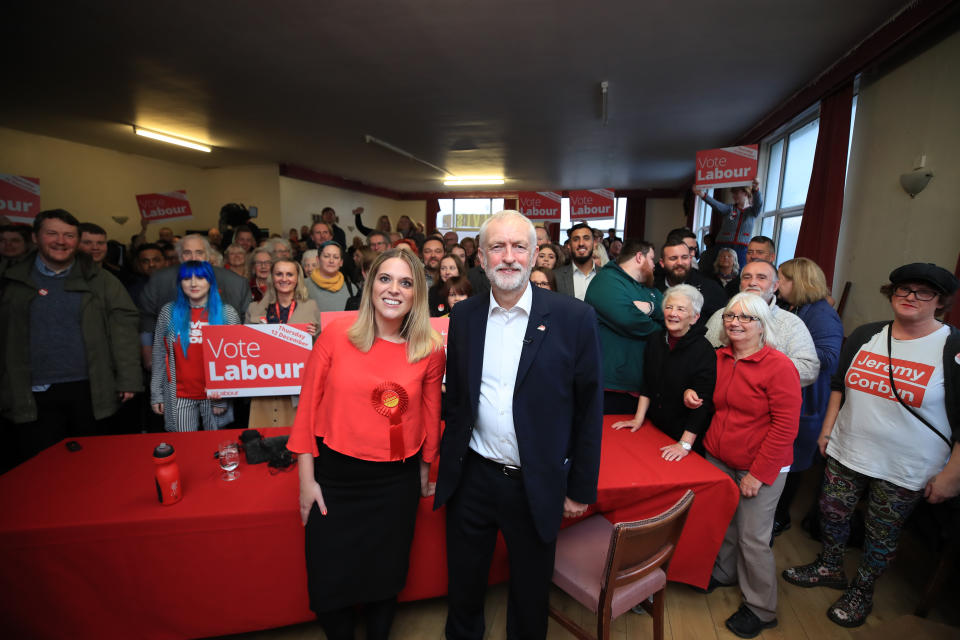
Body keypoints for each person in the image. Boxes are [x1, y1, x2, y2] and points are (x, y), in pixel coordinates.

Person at [435, 210, 603, 640]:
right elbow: (457, 401)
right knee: (465, 586)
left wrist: (580, 487)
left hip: (535, 482)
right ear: (482, 256)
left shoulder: (574, 318)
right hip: (472, 477)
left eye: (519, 247)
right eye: (497, 246)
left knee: (530, 595)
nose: (508, 257)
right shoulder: (465, 316)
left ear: (534, 256)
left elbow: (589, 411)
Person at [782, 263, 960, 629]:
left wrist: (952, 475)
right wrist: (827, 430)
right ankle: (830, 566)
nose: (910, 297)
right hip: (848, 449)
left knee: (882, 533)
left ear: (941, 301)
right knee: (831, 513)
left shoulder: (952, 347)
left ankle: (863, 590)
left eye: (922, 292)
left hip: (905, 465)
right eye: (902, 290)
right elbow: (838, 385)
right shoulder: (867, 334)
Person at [288, 247, 445, 640]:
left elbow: (430, 416)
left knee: (384, 579)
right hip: (335, 477)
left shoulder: (428, 349)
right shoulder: (337, 334)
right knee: (328, 583)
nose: (394, 289)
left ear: (417, 294)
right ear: (371, 284)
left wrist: (425, 474)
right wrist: (306, 481)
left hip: (394, 483)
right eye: (385, 279)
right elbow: (307, 408)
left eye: (406, 283)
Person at [0, 209, 141, 470]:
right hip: (31, 393)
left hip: (91, 388)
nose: (60, 241)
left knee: (94, 465)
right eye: (52, 233)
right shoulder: (10, 280)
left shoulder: (103, 281)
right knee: (40, 468)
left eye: (68, 235)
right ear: (35, 237)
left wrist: (129, 379)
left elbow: (124, 330)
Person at [703, 292, 801, 638]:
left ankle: (762, 608)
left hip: (761, 464)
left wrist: (758, 474)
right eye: (731, 315)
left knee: (752, 537)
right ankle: (725, 572)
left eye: (747, 318)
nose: (736, 323)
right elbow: (709, 401)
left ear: (762, 326)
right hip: (719, 456)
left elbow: (786, 427)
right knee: (726, 524)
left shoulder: (779, 366)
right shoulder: (718, 357)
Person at [771, 258, 843, 539]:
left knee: (793, 461)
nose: (778, 285)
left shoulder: (822, 315)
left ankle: (781, 516)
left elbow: (828, 358)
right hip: (796, 395)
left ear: (798, 283)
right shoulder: (798, 308)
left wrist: (776, 356)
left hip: (809, 400)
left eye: (783, 279)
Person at [611, 284, 716, 459]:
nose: (673, 313)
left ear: (694, 317)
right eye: (669, 307)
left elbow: (702, 404)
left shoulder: (704, 351)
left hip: (683, 436)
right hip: (654, 428)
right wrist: (638, 418)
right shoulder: (655, 339)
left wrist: (684, 444)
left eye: (681, 309)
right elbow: (647, 383)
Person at [150, 261, 240, 432]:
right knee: (184, 446)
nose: (193, 283)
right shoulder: (168, 312)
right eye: (186, 279)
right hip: (179, 395)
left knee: (217, 448)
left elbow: (235, 360)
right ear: (179, 283)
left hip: (214, 395)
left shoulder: (227, 314)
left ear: (210, 281)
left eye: (200, 278)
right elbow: (159, 354)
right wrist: (156, 394)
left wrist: (223, 398)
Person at [705, 260, 819, 386]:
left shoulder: (791, 323)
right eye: (747, 277)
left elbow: (809, 369)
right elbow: (702, 357)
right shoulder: (719, 316)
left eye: (761, 278)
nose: (752, 283)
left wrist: (758, 369)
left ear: (775, 286)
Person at [583, 239, 663, 414]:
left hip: (640, 387)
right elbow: (631, 321)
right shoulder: (606, 281)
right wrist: (661, 327)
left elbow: (667, 310)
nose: (654, 265)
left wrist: (650, 308)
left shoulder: (646, 288)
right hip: (612, 387)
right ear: (639, 257)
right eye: (651, 259)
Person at [246, 259, 321, 428]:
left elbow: (321, 347)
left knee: (297, 438)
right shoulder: (254, 309)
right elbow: (245, 348)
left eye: (289, 274)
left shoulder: (311, 307)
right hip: (263, 388)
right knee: (262, 440)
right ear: (272, 278)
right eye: (279, 274)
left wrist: (313, 337)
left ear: (297, 278)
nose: (284, 279)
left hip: (298, 388)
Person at [654, 236, 726, 327]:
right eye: (673, 258)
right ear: (662, 263)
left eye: (684, 257)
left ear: (690, 259)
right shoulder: (651, 288)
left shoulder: (711, 288)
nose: (680, 263)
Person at [694, 179, 762, 266]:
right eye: (733, 193)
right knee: (717, 269)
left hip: (742, 248)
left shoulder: (752, 211)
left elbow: (759, 204)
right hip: (722, 246)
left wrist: (756, 189)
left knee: (740, 271)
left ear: (745, 193)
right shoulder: (729, 209)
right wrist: (702, 195)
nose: (733, 196)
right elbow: (716, 205)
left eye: (736, 193)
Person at [305, 241, 357, 311]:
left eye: (336, 257)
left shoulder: (351, 288)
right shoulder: (303, 285)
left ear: (341, 262)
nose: (331, 261)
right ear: (318, 260)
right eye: (326, 256)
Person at [554, 222, 597, 299]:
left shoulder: (606, 276)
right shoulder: (556, 276)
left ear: (594, 244)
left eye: (586, 238)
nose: (581, 243)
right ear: (569, 246)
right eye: (576, 239)